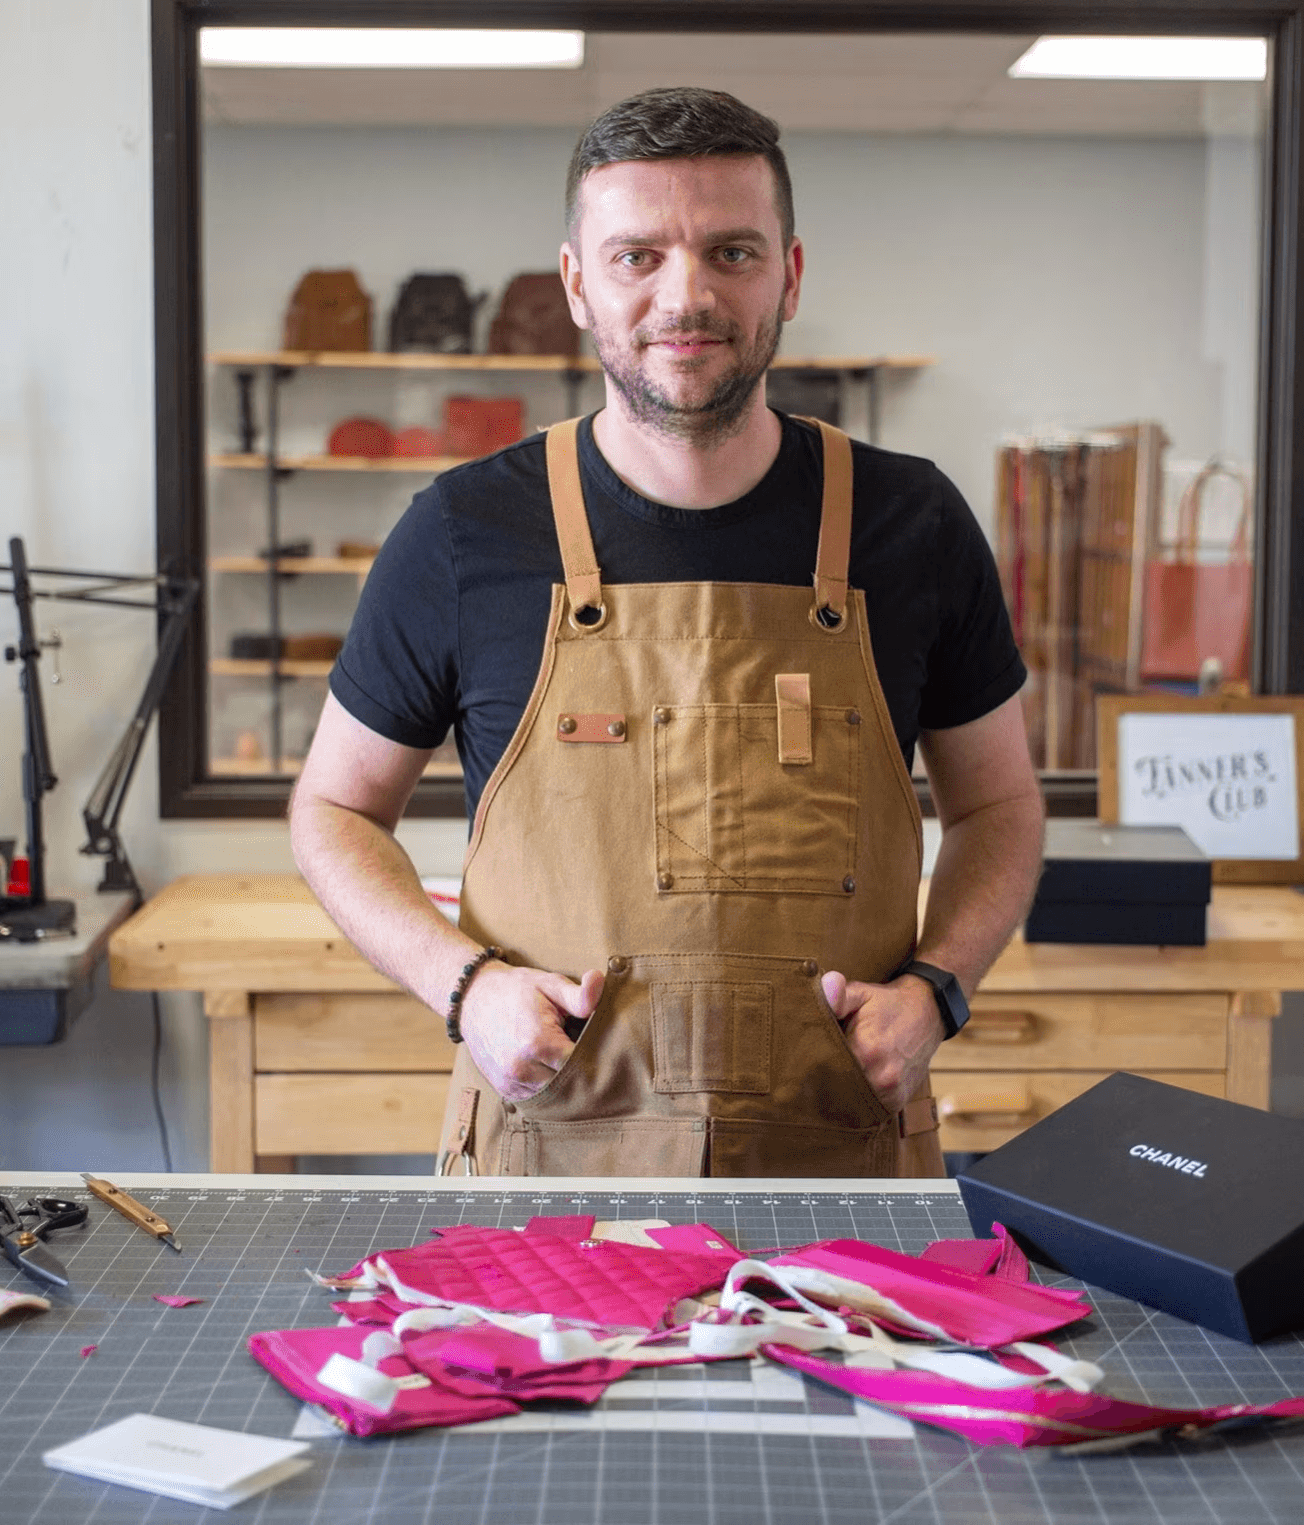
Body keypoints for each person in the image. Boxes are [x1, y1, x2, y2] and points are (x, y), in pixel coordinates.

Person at [288, 87, 1043, 1177]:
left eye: (729, 251)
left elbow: (999, 806)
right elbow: (333, 809)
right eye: (636, 255)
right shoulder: (463, 531)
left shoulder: (910, 522)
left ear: (788, 272)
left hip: (839, 1173)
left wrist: (937, 988)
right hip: (546, 1166)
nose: (684, 296)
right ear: (576, 285)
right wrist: (465, 988)